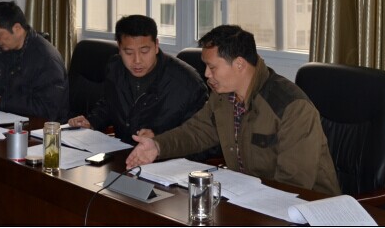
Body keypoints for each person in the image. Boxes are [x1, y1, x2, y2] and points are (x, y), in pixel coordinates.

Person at [125, 24, 341, 196]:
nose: (206, 74)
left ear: (239, 64)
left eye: (212, 67)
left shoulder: (291, 107)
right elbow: (197, 132)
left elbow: (293, 185)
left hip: (307, 209)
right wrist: (158, 146)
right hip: (251, 199)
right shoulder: (223, 96)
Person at [68, 15, 209, 145]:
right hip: (122, 153)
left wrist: (159, 141)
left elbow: (201, 139)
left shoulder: (188, 84)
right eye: (128, 52)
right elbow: (109, 105)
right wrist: (91, 122)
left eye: (144, 51)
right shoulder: (115, 68)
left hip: (165, 159)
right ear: (119, 48)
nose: (137, 61)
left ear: (156, 46)